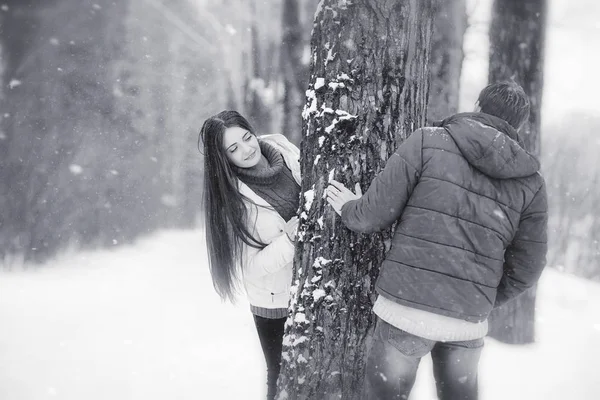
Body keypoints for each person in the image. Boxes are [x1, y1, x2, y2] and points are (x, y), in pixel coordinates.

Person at [325, 81, 548, 400]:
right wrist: (479, 295)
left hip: (407, 307)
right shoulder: (531, 183)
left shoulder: (428, 141)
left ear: (478, 107)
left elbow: (373, 215)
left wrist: (349, 207)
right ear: (517, 127)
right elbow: (529, 266)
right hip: (467, 320)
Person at [200, 111, 300, 400]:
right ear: (223, 158)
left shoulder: (283, 149)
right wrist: (289, 240)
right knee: (281, 379)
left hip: (316, 284)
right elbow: (252, 267)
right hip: (275, 302)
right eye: (234, 149)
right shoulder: (230, 200)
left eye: (247, 138)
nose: (247, 150)